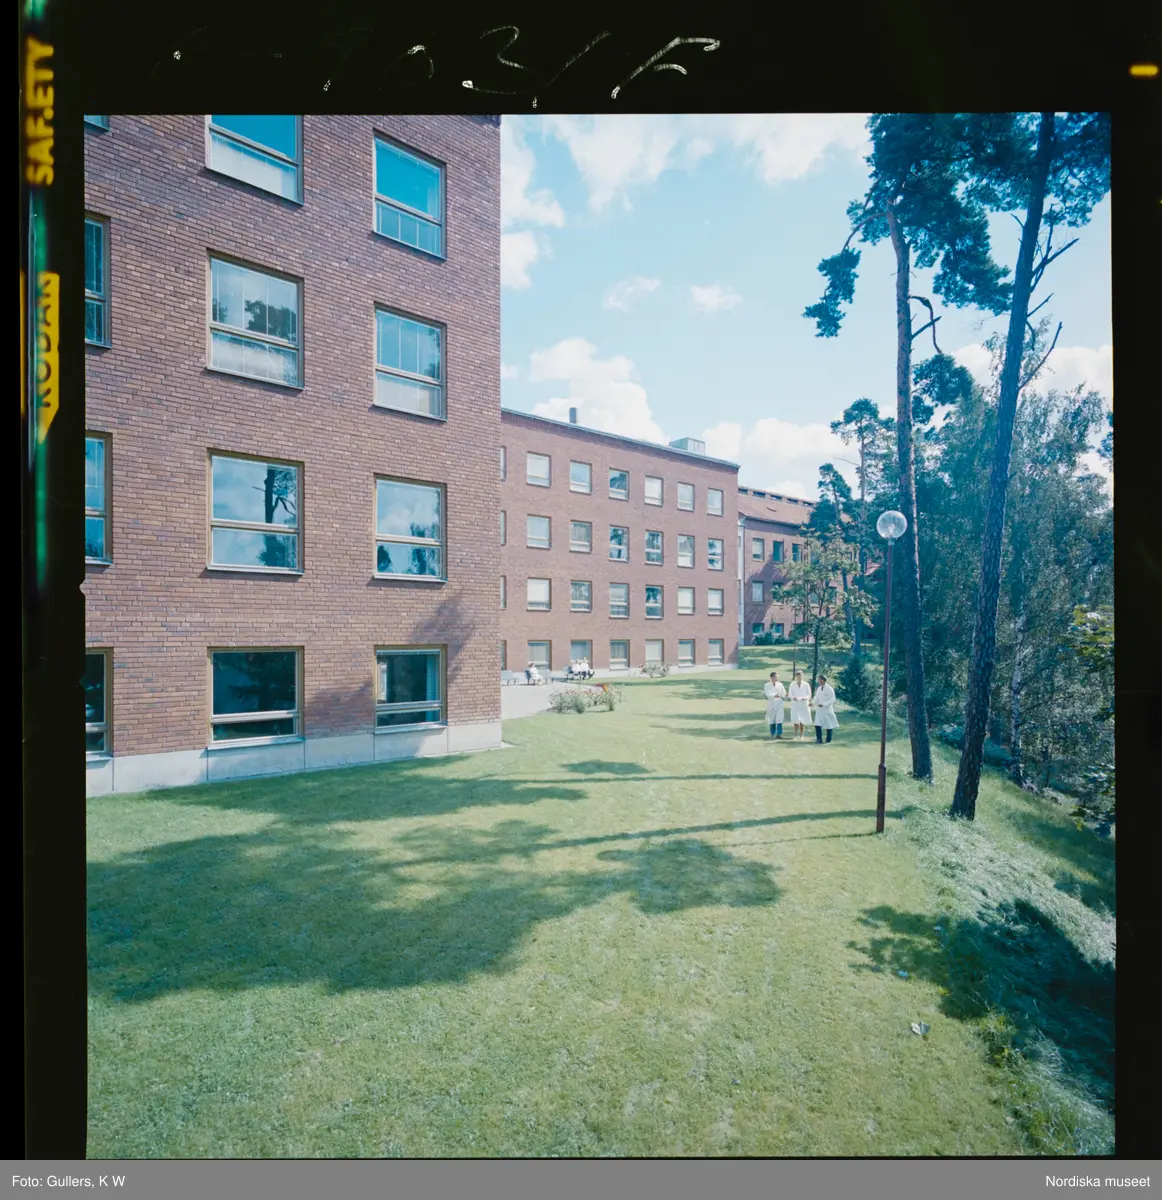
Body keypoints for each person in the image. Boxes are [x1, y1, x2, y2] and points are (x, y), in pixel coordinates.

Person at [813, 674, 838, 744]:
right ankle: (819, 739)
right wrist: (812, 703)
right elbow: (816, 698)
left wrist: (824, 704)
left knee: (828, 725)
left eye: (819, 680)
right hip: (819, 710)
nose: (818, 681)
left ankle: (828, 740)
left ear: (823, 680)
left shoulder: (829, 689)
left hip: (827, 710)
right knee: (817, 724)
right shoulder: (819, 688)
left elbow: (833, 699)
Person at [788, 671, 812, 740]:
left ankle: (801, 735)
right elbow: (790, 694)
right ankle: (795, 735)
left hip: (803, 704)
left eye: (800, 675)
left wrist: (805, 698)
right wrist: (793, 697)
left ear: (802, 676)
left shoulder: (806, 684)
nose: (799, 677)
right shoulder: (792, 684)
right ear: (796, 676)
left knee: (802, 720)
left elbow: (809, 694)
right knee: (796, 720)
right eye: (798, 675)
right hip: (795, 704)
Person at [763, 671, 786, 739]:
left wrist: (784, 696)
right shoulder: (767, 685)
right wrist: (774, 695)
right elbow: (767, 694)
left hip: (779, 703)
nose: (777, 678)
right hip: (771, 703)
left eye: (777, 677)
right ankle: (772, 733)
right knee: (772, 719)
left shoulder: (780, 684)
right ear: (771, 677)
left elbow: (783, 692)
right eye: (775, 677)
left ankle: (779, 734)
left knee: (779, 719)